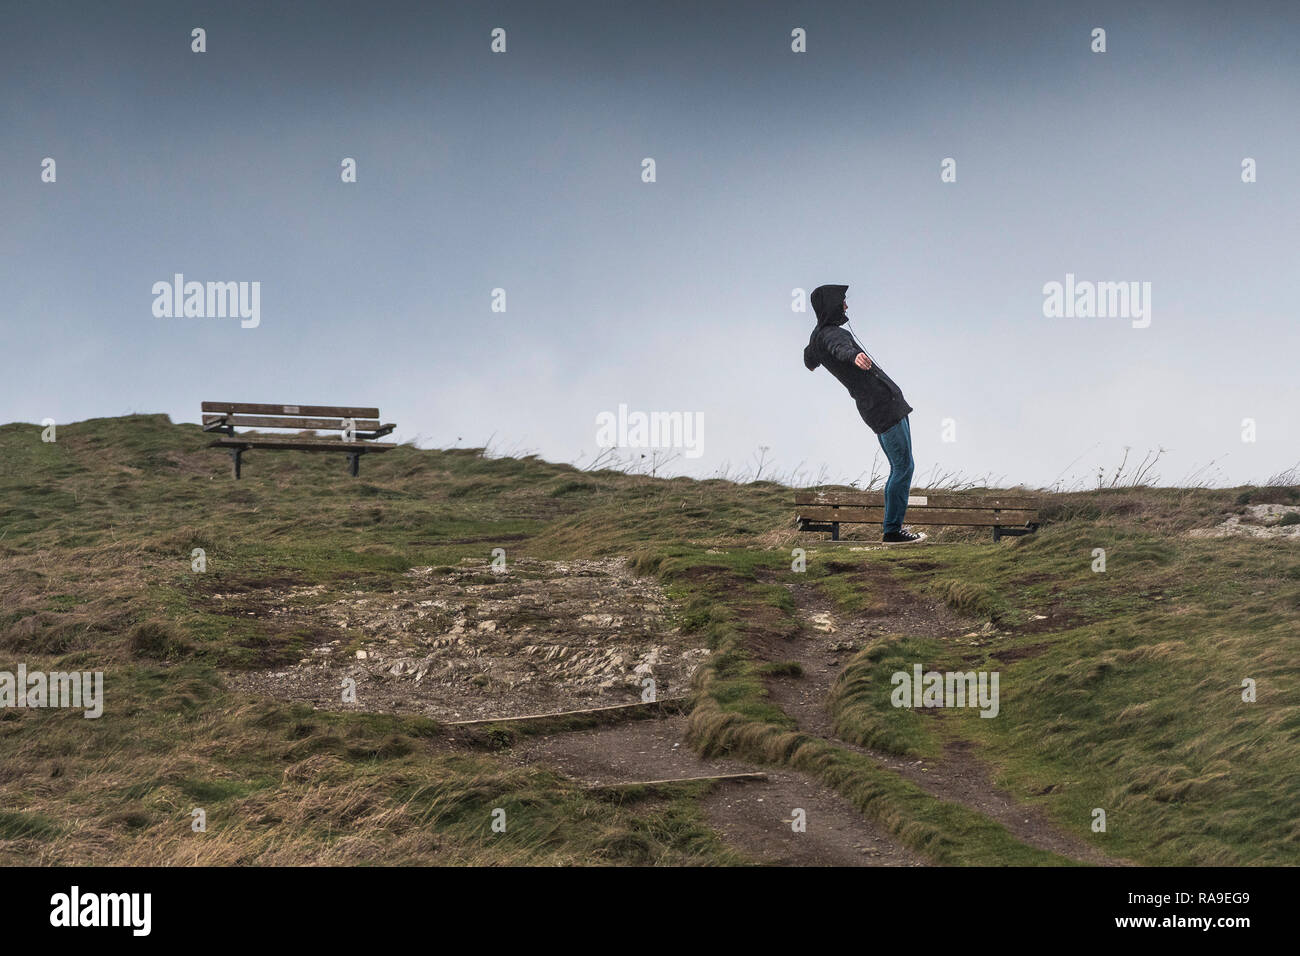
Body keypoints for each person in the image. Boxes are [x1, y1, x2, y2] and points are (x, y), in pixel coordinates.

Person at [802, 284, 924, 543]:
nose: (846, 306)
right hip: (882, 406)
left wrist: (818, 359)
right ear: (833, 305)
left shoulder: (817, 337)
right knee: (903, 467)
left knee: (903, 465)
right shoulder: (832, 335)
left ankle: (894, 529)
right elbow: (839, 349)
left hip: (886, 404)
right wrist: (854, 356)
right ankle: (892, 531)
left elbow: (809, 359)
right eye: (843, 301)